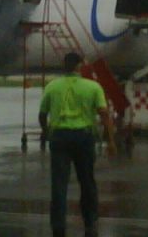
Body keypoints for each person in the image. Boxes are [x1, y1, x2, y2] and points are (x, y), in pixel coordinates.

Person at [39, 52, 117, 237]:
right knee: (87, 181)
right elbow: (104, 114)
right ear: (79, 66)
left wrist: (47, 131)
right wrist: (111, 141)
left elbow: (42, 115)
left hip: (59, 137)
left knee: (59, 184)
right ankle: (90, 222)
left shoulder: (51, 86)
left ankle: (58, 225)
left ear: (64, 66)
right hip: (83, 137)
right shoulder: (93, 87)